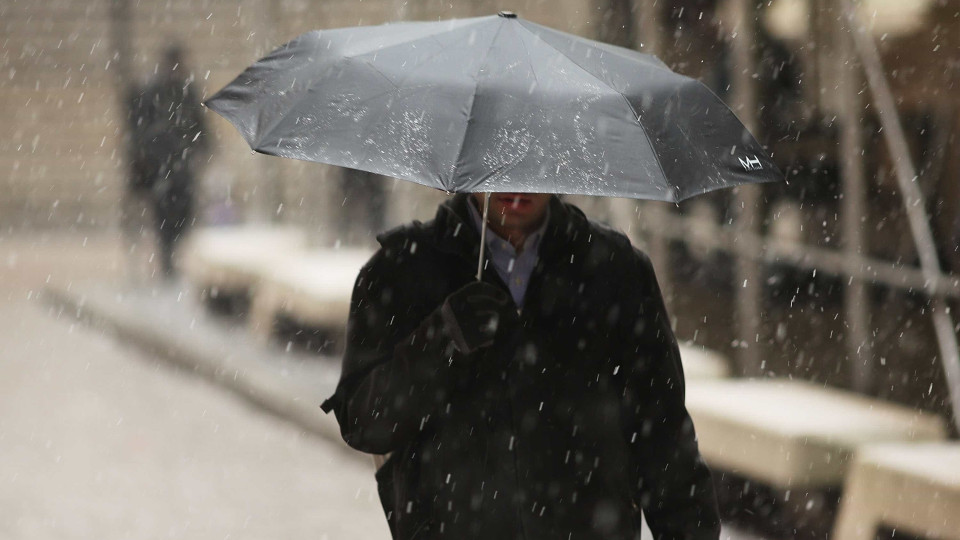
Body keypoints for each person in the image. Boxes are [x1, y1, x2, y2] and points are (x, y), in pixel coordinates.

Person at [321, 192, 720, 539]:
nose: (518, 183)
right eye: (502, 159)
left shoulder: (616, 270)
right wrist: (443, 339)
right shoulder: (401, 268)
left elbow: (664, 440)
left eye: (535, 156)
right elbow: (364, 421)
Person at [126, 45, 209, 277]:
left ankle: (171, 248)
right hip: (159, 165)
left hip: (181, 164)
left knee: (184, 210)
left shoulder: (186, 91)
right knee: (163, 211)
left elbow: (200, 123)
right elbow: (140, 128)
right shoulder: (151, 92)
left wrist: (203, 148)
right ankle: (166, 255)